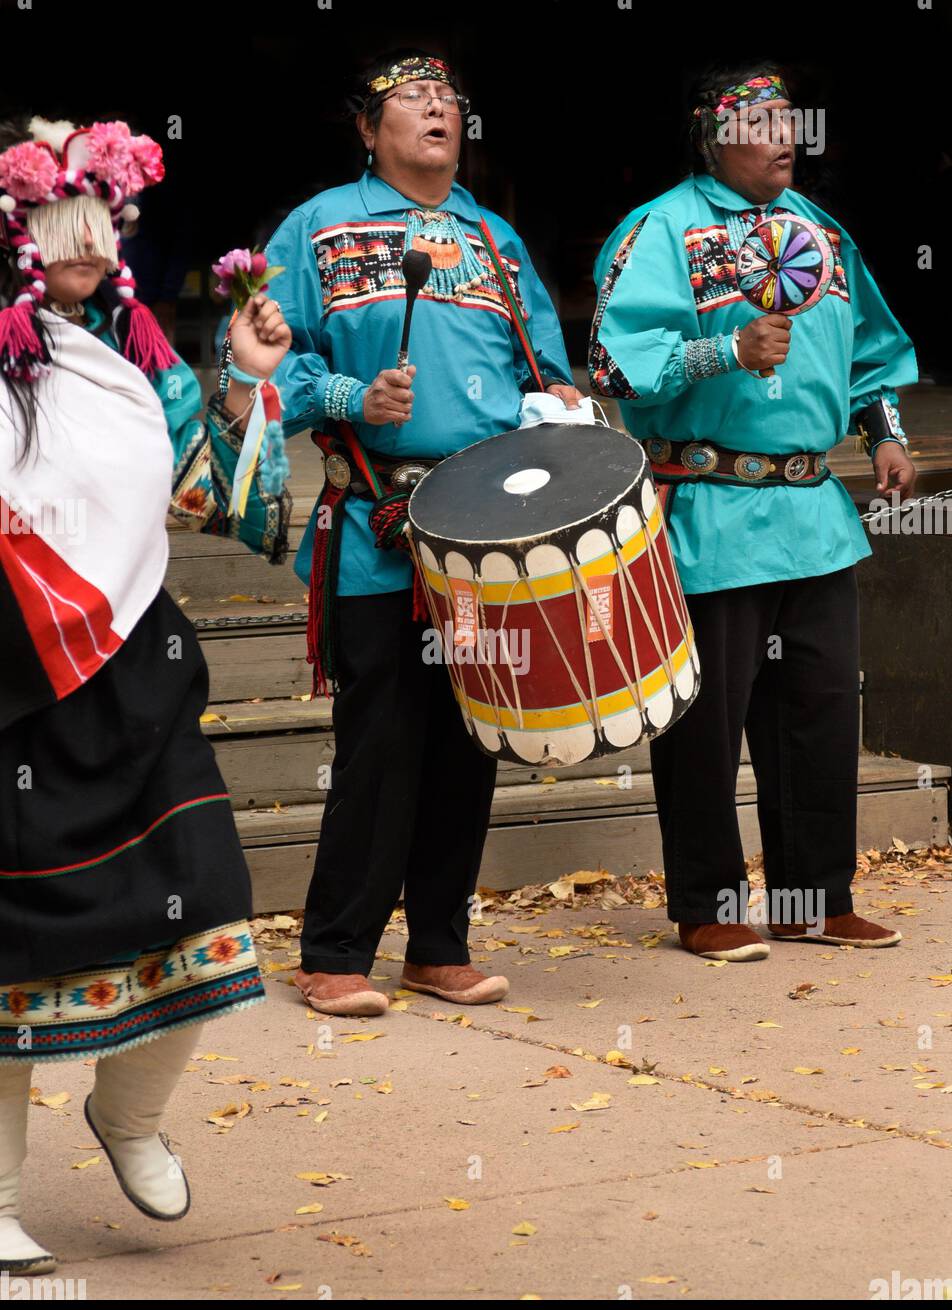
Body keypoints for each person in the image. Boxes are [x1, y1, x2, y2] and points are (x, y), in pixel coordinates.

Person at [0, 115, 291, 1273]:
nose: (79, 244)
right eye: (51, 222)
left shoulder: (134, 361)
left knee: (207, 893)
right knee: (13, 950)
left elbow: (200, 493)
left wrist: (237, 387)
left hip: (135, 668)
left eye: (96, 222)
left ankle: (125, 1112)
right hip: (17, 677)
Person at [264, 50, 581, 1016]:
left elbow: (547, 365)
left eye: (450, 99)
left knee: (466, 739)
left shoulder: (495, 238)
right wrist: (354, 395)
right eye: (413, 98)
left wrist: (559, 401)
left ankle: (439, 943)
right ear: (368, 128)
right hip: (378, 524)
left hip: (486, 531)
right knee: (381, 741)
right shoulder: (316, 226)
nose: (438, 109)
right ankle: (336, 950)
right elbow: (260, 371)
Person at [589, 63, 917, 962]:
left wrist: (883, 432)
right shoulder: (661, 229)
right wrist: (723, 349)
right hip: (711, 510)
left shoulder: (818, 232)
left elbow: (875, 354)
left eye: (791, 121)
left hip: (813, 513)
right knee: (704, 724)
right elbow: (615, 366)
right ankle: (707, 903)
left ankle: (814, 898)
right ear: (712, 135)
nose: (785, 136)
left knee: (817, 713)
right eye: (763, 121)